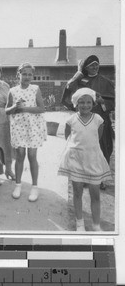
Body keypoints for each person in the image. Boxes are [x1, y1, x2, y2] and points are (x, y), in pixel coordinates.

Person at [58, 88, 113, 231]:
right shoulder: (71, 120)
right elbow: (68, 137)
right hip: (76, 160)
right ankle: (80, 223)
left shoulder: (98, 120)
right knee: (77, 192)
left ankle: (96, 225)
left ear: (93, 103)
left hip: (93, 160)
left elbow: (98, 137)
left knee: (95, 194)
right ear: (76, 104)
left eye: (88, 102)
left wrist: (90, 150)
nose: (85, 105)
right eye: (81, 102)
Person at [61, 55, 115, 186]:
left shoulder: (105, 81)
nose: (95, 67)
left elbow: (113, 102)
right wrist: (78, 74)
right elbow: (68, 94)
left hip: (100, 121)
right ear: (85, 67)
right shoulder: (80, 81)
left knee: (102, 148)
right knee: (83, 148)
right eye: (91, 65)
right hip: (83, 120)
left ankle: (101, 179)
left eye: (97, 64)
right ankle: (84, 177)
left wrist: (103, 103)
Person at [5, 62, 47, 201]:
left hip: (33, 126)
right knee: (20, 155)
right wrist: (14, 107)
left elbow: (41, 108)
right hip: (18, 126)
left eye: (30, 74)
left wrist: (23, 109)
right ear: (19, 75)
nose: (27, 77)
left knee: (32, 155)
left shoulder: (35, 89)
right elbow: (7, 110)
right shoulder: (13, 91)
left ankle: (34, 187)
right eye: (24, 74)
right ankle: (18, 185)